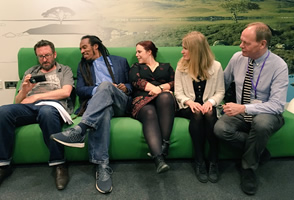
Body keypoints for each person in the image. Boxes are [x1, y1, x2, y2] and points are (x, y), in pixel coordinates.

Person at [214, 22, 289, 195]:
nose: (241, 45)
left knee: (262, 124)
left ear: (262, 44)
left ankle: (248, 168)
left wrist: (243, 108)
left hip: (267, 112)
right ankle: (259, 152)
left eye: (246, 43)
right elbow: (223, 83)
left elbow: (277, 105)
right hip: (242, 109)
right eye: (241, 41)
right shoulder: (237, 58)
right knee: (220, 128)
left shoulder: (279, 66)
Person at [50, 35, 132, 194]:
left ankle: (80, 129)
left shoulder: (120, 61)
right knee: (105, 105)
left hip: (121, 103)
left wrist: (124, 88)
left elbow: (132, 85)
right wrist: (100, 90)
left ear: (95, 46)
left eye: (84, 47)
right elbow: (80, 90)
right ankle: (102, 165)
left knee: (106, 86)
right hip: (101, 105)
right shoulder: (83, 67)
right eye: (80, 49)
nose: (82, 51)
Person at [0, 40, 74, 190]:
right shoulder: (31, 72)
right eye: (40, 56)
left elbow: (66, 92)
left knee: (46, 111)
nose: (44, 59)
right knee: (3, 111)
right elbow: (18, 101)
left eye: (47, 55)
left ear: (54, 54)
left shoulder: (64, 70)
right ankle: (3, 164)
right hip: (30, 107)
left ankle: (59, 163)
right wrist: (25, 90)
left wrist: (37, 97)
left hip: (53, 106)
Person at [174, 31, 225, 183]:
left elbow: (220, 91)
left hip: (209, 105)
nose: (182, 51)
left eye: (185, 48)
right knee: (197, 114)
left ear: (196, 50)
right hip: (187, 106)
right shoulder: (181, 66)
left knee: (209, 114)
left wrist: (210, 102)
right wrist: (189, 102)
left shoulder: (216, 66)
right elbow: (178, 92)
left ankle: (214, 160)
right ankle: (199, 160)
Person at [129, 41, 175, 173]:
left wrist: (160, 89)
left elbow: (175, 82)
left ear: (149, 52)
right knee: (149, 112)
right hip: (142, 101)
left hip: (163, 100)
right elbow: (135, 81)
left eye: (139, 51)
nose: (136, 54)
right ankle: (159, 159)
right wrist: (156, 88)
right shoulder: (136, 67)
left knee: (165, 97)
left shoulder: (166, 67)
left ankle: (165, 143)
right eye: (136, 52)